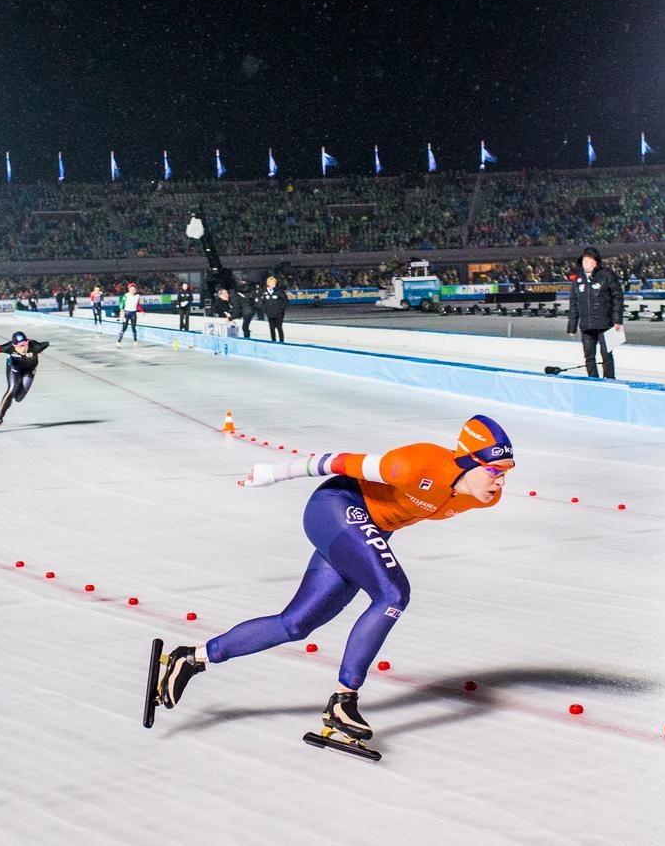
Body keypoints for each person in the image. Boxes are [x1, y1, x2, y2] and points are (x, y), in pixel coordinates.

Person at [154, 415, 516, 744]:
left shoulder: (485, 498)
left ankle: (191, 658)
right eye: (495, 470)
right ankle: (344, 702)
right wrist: (273, 473)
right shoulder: (414, 463)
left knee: (296, 624)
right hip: (336, 507)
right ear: (468, 461)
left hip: (365, 529)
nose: (501, 480)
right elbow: (333, 462)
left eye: (507, 470)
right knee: (393, 595)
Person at [563, 247, 622, 379]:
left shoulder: (607, 275)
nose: (586, 263)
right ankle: (593, 380)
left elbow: (617, 297)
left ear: (596, 262)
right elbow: (574, 304)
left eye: (589, 260)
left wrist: (617, 320)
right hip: (586, 326)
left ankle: (609, 380)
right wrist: (572, 327)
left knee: (607, 355)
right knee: (589, 356)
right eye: (584, 260)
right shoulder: (577, 280)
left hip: (605, 324)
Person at [258, 275, 289, 343]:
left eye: (274, 283)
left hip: (278, 314)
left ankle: (281, 341)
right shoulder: (264, 292)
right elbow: (261, 302)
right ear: (268, 283)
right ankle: (273, 341)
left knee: (279, 328)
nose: (273, 284)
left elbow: (285, 301)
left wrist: (281, 309)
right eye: (271, 283)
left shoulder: (279, 291)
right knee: (272, 328)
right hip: (270, 314)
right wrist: (265, 310)